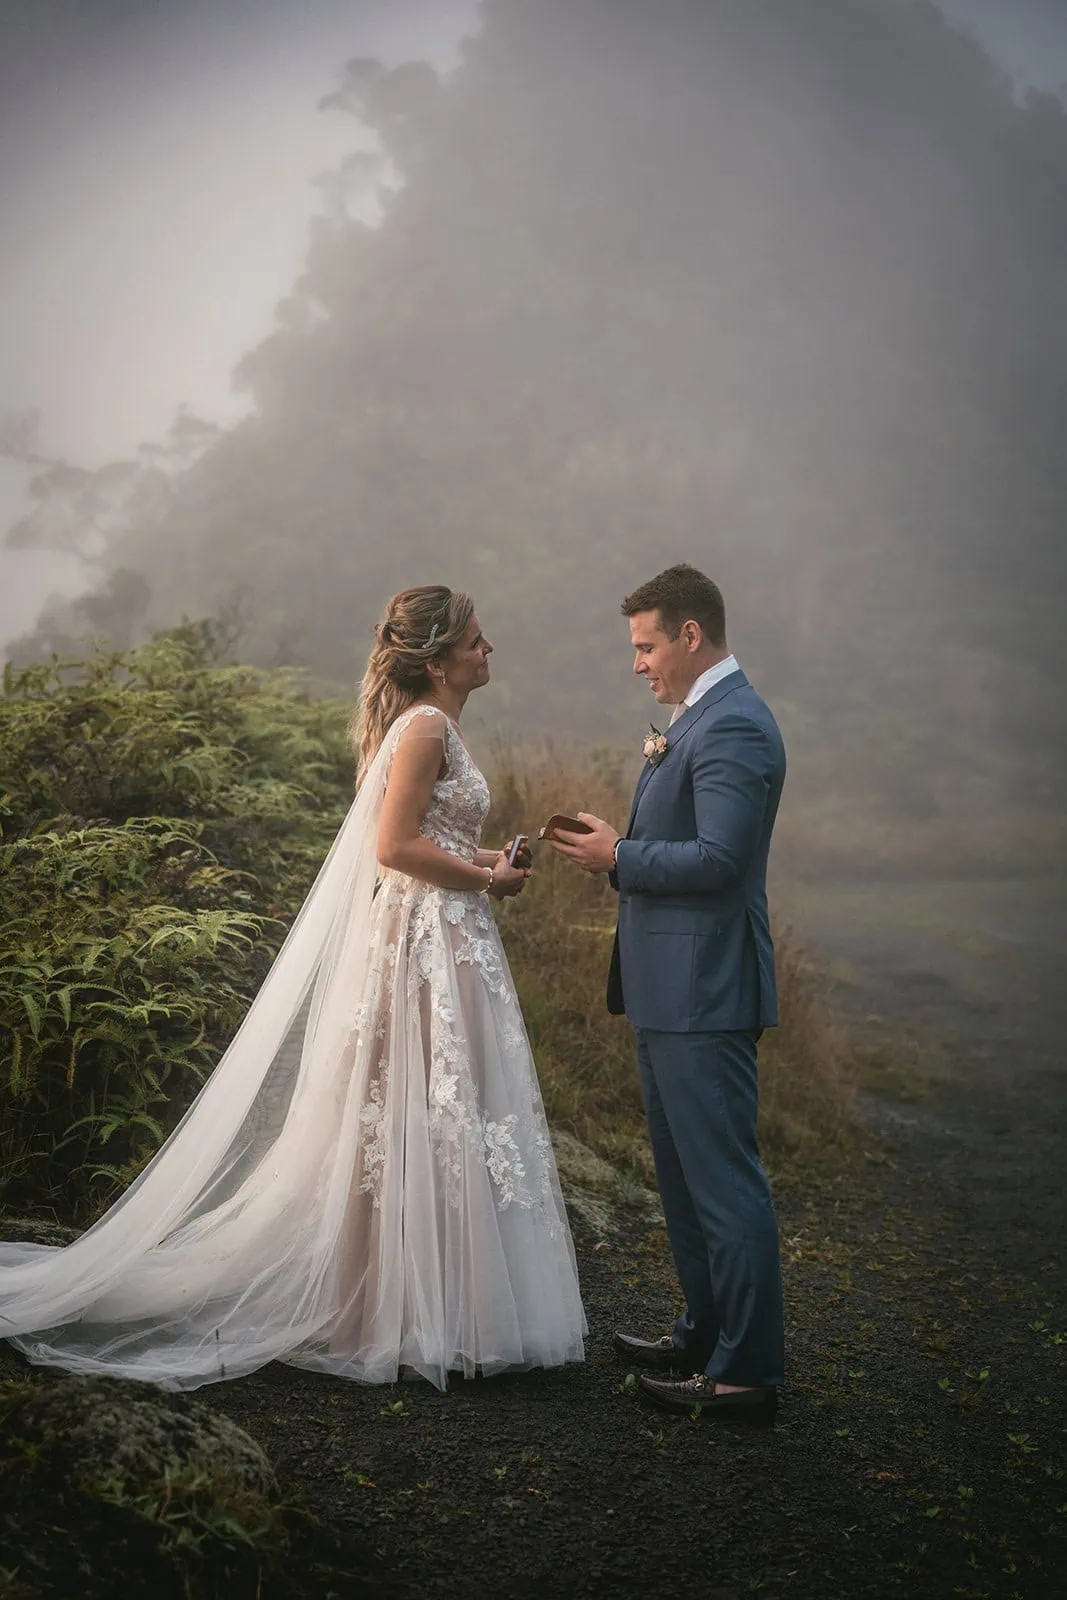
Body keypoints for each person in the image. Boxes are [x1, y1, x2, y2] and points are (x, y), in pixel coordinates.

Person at [0, 585, 586, 1391]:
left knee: (441, 1109)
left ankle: (434, 1300)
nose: (490, 652)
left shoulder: (435, 727)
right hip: (424, 938)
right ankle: (393, 1306)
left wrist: (491, 864)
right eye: (478, 642)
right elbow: (394, 847)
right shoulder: (422, 728)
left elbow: (437, 839)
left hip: (446, 935)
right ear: (437, 659)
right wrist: (483, 884)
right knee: (421, 1108)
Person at [550, 563, 785, 1426]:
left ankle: (746, 1372)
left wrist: (617, 855)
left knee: (722, 1181)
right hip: (664, 991)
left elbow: (720, 863)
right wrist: (616, 850)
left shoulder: (736, 729)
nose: (637, 663)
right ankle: (703, 1334)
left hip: (706, 990)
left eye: (646, 645)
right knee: (683, 1182)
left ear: (691, 635)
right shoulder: (697, 720)